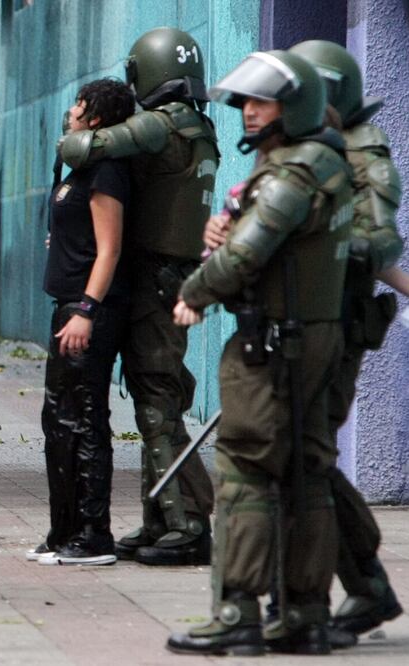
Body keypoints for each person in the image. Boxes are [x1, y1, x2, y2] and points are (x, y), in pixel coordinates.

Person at [203, 41, 406, 646]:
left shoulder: (360, 155)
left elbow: (378, 243)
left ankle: (353, 584)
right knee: (296, 458)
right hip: (298, 319)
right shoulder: (305, 149)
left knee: (305, 461)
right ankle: (316, 596)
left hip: (331, 322)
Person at [166, 50, 353, 656]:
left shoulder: (293, 173)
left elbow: (247, 253)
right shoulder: (321, 162)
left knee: (246, 471)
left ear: (292, 104)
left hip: (272, 343)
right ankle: (305, 613)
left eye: (260, 101)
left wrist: (195, 291)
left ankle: (237, 611)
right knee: (307, 473)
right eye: (245, 101)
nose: (248, 112)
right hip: (308, 336)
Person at [58, 27, 218, 566]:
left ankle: (188, 522)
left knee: (156, 403)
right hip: (172, 277)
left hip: (155, 279)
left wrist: (86, 125)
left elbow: (83, 146)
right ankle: (162, 518)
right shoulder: (201, 127)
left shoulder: (161, 124)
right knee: (161, 396)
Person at [30, 79, 135, 566]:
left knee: (86, 419)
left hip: (87, 312)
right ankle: (63, 531)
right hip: (66, 308)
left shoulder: (107, 172)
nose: (69, 111)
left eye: (78, 104)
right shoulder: (79, 166)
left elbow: (110, 250)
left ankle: (94, 535)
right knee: (58, 421)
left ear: (95, 118)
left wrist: (87, 312)